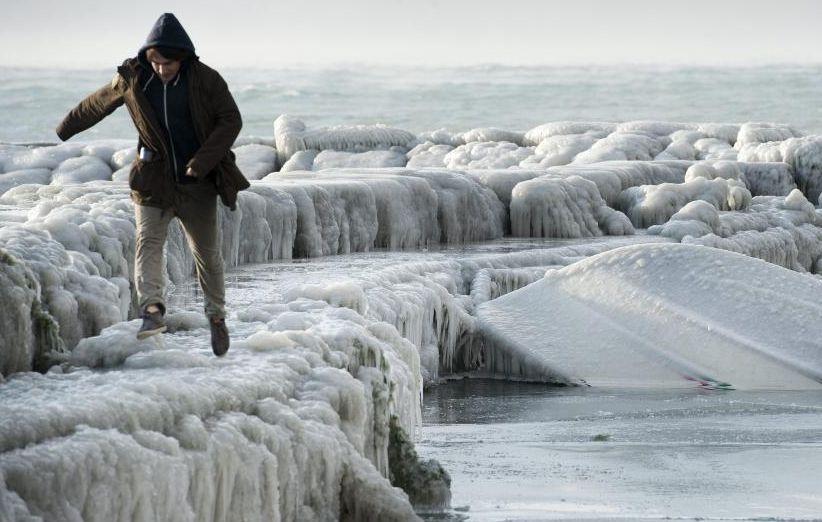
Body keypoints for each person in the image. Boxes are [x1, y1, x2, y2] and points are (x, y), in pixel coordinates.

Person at [56, 13, 250, 356]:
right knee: (148, 243)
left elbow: (231, 119)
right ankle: (152, 311)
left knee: (206, 255)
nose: (162, 69)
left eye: (169, 63)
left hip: (197, 182)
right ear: (148, 56)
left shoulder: (206, 80)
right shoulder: (134, 79)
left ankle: (217, 318)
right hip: (152, 180)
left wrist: (202, 162)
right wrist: (65, 128)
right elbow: (97, 103)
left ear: (183, 58)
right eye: (156, 62)